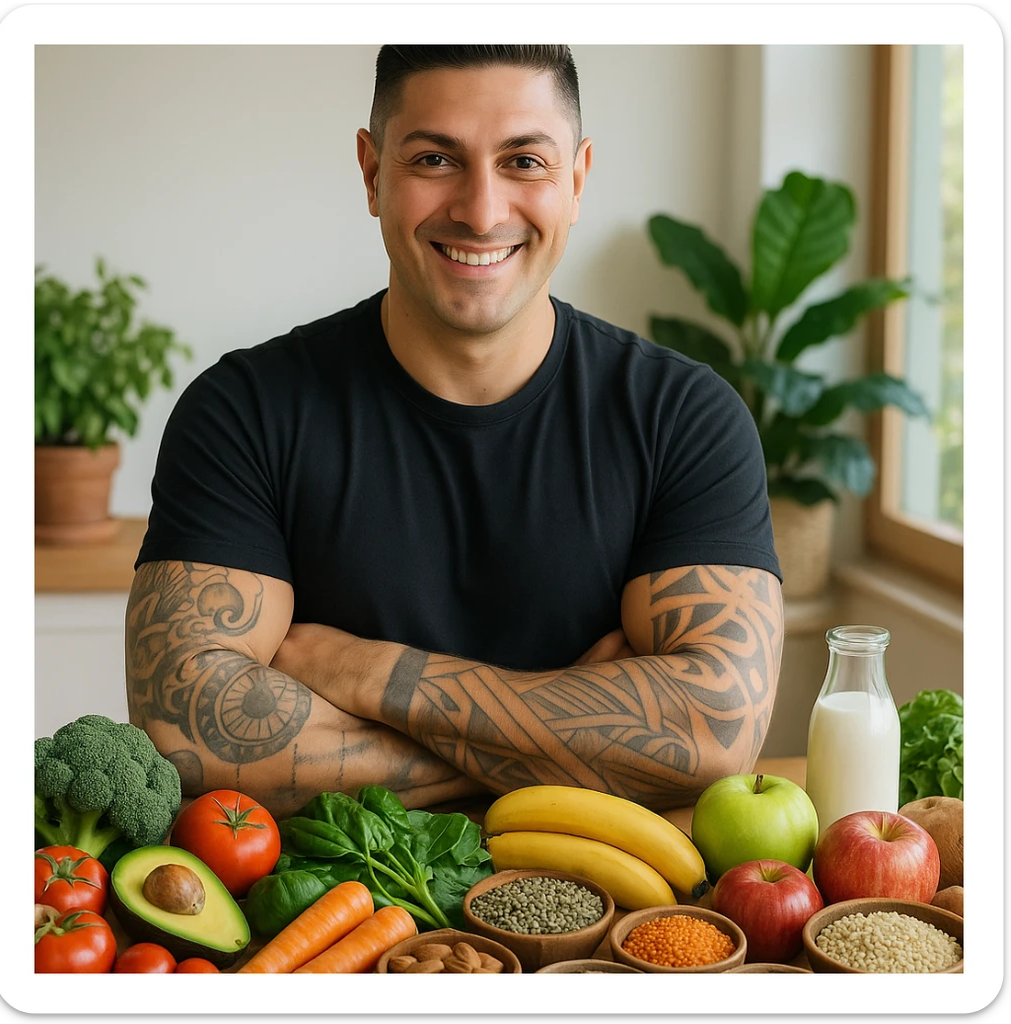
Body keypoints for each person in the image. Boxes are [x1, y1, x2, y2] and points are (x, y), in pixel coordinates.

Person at [125, 44, 784, 820]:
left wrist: (368, 674)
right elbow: (189, 739)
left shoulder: (685, 417)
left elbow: (714, 732)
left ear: (576, 180)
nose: (481, 210)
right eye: (436, 160)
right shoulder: (243, 412)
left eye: (524, 162)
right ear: (373, 173)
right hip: (333, 888)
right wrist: (575, 736)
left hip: (609, 890)